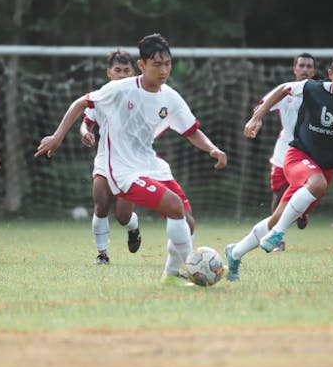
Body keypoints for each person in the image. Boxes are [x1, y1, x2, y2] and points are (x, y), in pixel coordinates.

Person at [35, 33, 227, 283]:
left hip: (150, 164)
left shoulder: (170, 97)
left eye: (167, 64)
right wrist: (58, 137)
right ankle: (192, 271)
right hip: (122, 169)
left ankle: (169, 278)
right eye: (156, 65)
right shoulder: (119, 89)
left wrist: (213, 149)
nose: (163, 70)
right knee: (172, 206)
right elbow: (81, 103)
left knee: (187, 223)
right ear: (142, 65)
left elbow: (192, 131)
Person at [226, 50, 333, 281]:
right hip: (297, 156)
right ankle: (278, 234)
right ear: (329, 74)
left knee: (277, 216)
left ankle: (235, 253)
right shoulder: (311, 88)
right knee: (316, 185)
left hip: (325, 166)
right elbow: (284, 88)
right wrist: (259, 115)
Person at [80, 49, 142, 264]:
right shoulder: (101, 96)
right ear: (109, 73)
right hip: (105, 160)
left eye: (127, 70)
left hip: (130, 163)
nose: (122, 74)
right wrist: (85, 132)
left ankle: (133, 228)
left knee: (123, 217)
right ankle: (102, 254)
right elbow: (86, 121)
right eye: (118, 70)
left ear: (134, 72)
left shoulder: (143, 96)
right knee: (101, 205)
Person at [257, 52, 317, 250]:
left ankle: (301, 211)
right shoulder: (285, 91)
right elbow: (263, 105)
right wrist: (257, 119)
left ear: (314, 71)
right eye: (301, 65)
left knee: (305, 192)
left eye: (309, 66)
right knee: (279, 194)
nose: (305, 69)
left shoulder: (320, 94)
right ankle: (277, 238)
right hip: (283, 153)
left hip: (308, 154)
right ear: (295, 69)